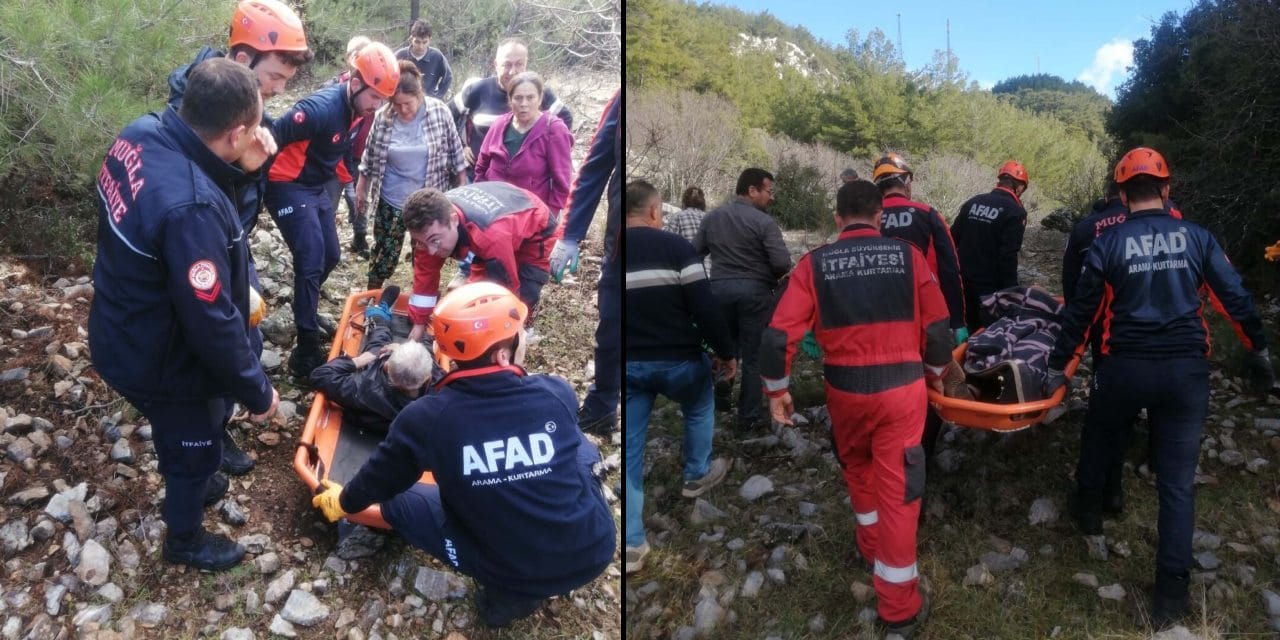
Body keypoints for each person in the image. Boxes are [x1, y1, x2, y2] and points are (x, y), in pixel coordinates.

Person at [1044, 147, 1276, 630]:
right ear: (1167, 189)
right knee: (1176, 484)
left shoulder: (1107, 242)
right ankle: (1170, 595)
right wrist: (1257, 348)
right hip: (1185, 373)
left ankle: (1088, 512)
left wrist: (1057, 367)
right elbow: (1233, 296)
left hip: (1124, 367)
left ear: (1123, 194)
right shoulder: (1198, 237)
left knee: (1100, 436)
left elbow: (1081, 313)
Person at [311, 282, 615, 627]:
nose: (524, 338)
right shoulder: (555, 392)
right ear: (503, 353)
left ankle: (507, 596)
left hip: (510, 569)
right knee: (581, 448)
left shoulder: (426, 418)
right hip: (592, 550)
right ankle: (517, 587)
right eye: (520, 332)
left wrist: (346, 501)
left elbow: (380, 477)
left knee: (397, 499)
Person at [90, 59, 281, 571]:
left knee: (195, 432)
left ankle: (201, 469)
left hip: (119, 321)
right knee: (192, 445)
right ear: (236, 131)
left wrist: (245, 173)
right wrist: (258, 391)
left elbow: (195, 197)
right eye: (254, 127)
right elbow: (211, 322)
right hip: (161, 355)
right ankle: (185, 539)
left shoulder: (140, 133)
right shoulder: (189, 208)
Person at [761, 180, 951, 639]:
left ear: (838, 218)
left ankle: (869, 546)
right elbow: (940, 326)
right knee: (901, 496)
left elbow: (775, 335)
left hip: (845, 392)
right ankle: (899, 608)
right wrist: (935, 371)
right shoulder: (908, 257)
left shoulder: (814, 264)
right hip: (902, 394)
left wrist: (777, 391)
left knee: (858, 467)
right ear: (880, 216)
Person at [166, 0, 311, 475]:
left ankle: (219, 419)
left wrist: (250, 175)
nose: (277, 90)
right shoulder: (195, 107)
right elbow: (198, 195)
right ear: (245, 61)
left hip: (233, 242)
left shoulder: (249, 103)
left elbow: (234, 193)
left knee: (247, 333)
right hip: (200, 249)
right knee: (214, 341)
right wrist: (245, 171)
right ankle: (203, 442)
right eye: (274, 78)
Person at [267, 42, 399, 377]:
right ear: (355, 83)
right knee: (310, 258)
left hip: (313, 186)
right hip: (285, 184)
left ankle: (305, 305)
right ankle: (305, 350)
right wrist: (253, 189)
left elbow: (338, 151)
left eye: (383, 100)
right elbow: (270, 137)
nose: (377, 106)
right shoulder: (318, 109)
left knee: (331, 255)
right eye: (374, 97)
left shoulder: (357, 110)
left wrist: (352, 186)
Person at [624, 180, 737, 574]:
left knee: (632, 449)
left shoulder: (613, 250)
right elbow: (704, 308)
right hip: (679, 361)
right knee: (699, 405)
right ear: (655, 211)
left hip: (630, 365)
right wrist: (725, 352)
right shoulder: (676, 248)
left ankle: (633, 546)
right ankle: (695, 475)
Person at [693, 167, 792, 433]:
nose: (772, 198)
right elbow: (782, 262)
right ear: (752, 190)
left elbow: (694, 254)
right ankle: (748, 417)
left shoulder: (712, 217)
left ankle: (709, 407)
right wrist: (771, 275)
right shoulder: (764, 222)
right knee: (753, 356)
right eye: (769, 191)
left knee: (724, 349)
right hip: (755, 294)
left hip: (718, 291)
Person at [356, 60, 468, 291]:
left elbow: (457, 154)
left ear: (419, 94)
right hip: (392, 200)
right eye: (396, 104)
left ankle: (423, 299)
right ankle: (373, 293)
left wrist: (462, 188)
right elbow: (370, 154)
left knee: (427, 255)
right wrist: (361, 189)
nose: (403, 110)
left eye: (408, 103)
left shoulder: (439, 111)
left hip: (429, 200)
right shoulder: (384, 117)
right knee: (384, 252)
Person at [401, 182, 559, 343]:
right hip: (497, 225)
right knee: (474, 296)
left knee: (522, 296)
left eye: (435, 241)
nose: (431, 251)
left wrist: (503, 335)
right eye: (422, 242)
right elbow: (424, 280)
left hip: (536, 231)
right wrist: (418, 326)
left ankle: (520, 334)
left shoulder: (490, 236)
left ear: (453, 220)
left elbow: (507, 291)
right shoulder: (429, 231)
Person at [549, 89, 620, 435]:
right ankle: (603, 405)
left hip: (665, 239)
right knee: (613, 324)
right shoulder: (621, 100)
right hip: (622, 241)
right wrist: (569, 235)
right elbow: (594, 167)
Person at [309, 286, 440, 432]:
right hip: (409, 400)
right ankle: (426, 319)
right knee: (426, 347)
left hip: (374, 397)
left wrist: (361, 360)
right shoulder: (440, 394)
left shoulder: (363, 389)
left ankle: (379, 313)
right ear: (428, 377)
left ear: (386, 367)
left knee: (379, 340)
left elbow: (320, 375)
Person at [451, 38, 573, 182]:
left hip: (527, 182)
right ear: (496, 65)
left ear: (526, 63)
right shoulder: (477, 89)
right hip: (480, 176)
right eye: (507, 65)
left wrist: (552, 155)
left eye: (519, 64)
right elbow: (447, 115)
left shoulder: (538, 93)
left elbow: (565, 118)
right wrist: (460, 147)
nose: (513, 71)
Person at [474, 72, 573, 220]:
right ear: (510, 99)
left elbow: (562, 184)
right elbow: (482, 164)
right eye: (518, 98)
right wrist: (481, 198)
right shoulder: (500, 124)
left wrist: (548, 217)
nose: (524, 104)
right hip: (494, 210)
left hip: (530, 215)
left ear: (540, 99)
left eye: (530, 97)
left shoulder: (554, 130)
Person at [951, 161, 1030, 332]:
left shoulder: (973, 202)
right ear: (1020, 187)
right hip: (990, 290)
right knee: (990, 335)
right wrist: (1011, 292)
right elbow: (1008, 256)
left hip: (963, 283)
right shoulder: (1015, 212)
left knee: (968, 332)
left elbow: (952, 239)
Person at [323, 36, 376, 259]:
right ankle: (326, 242)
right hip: (335, 158)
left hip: (362, 155)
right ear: (348, 57)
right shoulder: (337, 87)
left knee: (360, 198)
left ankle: (360, 237)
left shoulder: (376, 87)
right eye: (357, 53)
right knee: (330, 199)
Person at [395, 18, 452, 100]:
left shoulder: (437, 57)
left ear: (430, 40)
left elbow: (448, 77)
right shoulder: (400, 55)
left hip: (428, 105)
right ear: (411, 39)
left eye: (424, 42)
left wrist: (438, 97)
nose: (421, 46)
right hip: (403, 103)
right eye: (417, 42)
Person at [663, 186, 711, 274]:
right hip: (710, 273)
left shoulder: (678, 216)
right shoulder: (711, 217)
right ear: (703, 203)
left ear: (684, 202)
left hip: (687, 272)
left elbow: (665, 243)